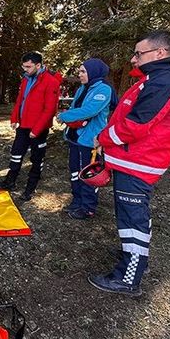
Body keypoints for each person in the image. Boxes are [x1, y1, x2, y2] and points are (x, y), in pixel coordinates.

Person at [88, 30, 170, 296]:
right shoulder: (154, 79)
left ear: (160, 53)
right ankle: (137, 260)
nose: (133, 59)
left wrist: (103, 137)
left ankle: (128, 277)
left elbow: (136, 125)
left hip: (138, 161)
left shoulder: (163, 83)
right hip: (132, 159)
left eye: (139, 53)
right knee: (133, 216)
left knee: (132, 219)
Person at [0, 51, 62, 201]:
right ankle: (10, 181)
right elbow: (20, 99)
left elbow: (49, 109)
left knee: (37, 159)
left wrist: (37, 130)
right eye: (24, 66)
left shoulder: (51, 82)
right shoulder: (26, 79)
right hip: (23, 126)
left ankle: (30, 189)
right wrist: (14, 118)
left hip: (39, 129)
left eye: (28, 66)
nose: (25, 69)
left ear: (38, 65)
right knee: (16, 153)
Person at [56, 58, 115, 219]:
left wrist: (64, 116)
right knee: (75, 171)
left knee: (88, 174)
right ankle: (77, 201)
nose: (80, 74)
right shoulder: (83, 88)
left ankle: (88, 207)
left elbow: (89, 110)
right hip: (75, 137)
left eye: (83, 71)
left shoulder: (103, 90)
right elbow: (76, 107)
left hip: (90, 140)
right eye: (80, 71)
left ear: (93, 72)